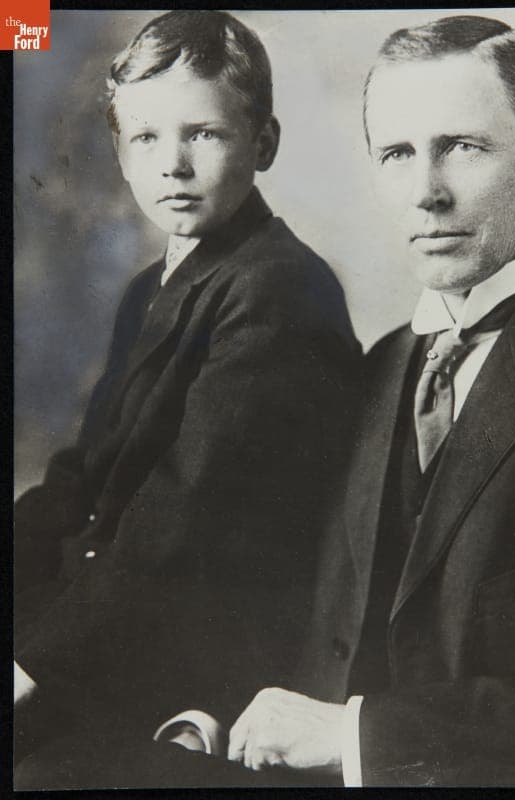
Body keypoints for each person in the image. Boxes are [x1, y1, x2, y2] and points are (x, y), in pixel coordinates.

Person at [228, 15, 515, 787]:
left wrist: (363, 737)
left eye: (463, 147)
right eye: (397, 154)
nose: (426, 193)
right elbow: (320, 622)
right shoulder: (383, 364)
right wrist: (214, 714)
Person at [14, 10, 359, 788]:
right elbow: (79, 477)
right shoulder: (152, 287)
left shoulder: (278, 288)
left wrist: (31, 666)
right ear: (121, 152)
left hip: (196, 648)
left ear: (262, 144)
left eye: (203, 134)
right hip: (108, 603)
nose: (172, 164)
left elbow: (178, 524)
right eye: (145, 139)